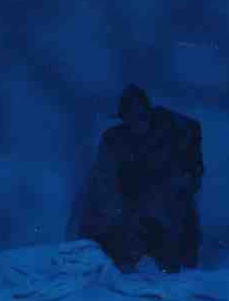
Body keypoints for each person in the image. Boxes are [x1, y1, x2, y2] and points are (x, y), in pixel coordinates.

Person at [70, 84, 205, 272]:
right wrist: (112, 211)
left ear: (148, 113)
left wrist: (191, 172)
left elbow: (193, 135)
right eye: (130, 119)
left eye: (140, 117)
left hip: (169, 199)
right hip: (132, 202)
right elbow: (103, 179)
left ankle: (175, 256)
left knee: (177, 239)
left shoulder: (171, 127)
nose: (136, 124)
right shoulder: (114, 139)